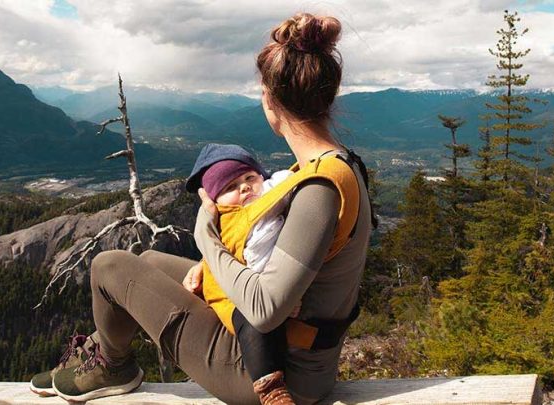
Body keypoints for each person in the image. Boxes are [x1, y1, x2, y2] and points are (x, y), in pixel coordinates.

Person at [29, 12, 373, 405]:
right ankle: (101, 354)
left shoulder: (319, 189)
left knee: (109, 265)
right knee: (152, 263)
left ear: (269, 99)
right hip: (293, 352)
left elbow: (264, 310)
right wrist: (215, 267)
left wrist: (206, 238)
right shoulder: (336, 165)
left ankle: (113, 364)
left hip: (276, 374)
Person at [183, 143, 301, 403]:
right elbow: (229, 246)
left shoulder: (270, 199)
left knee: (260, 319)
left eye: (250, 178)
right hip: (230, 294)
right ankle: (270, 389)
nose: (245, 187)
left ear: (262, 176)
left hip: (261, 288)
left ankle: (275, 389)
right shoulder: (229, 219)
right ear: (215, 201)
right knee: (252, 322)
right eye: (230, 187)